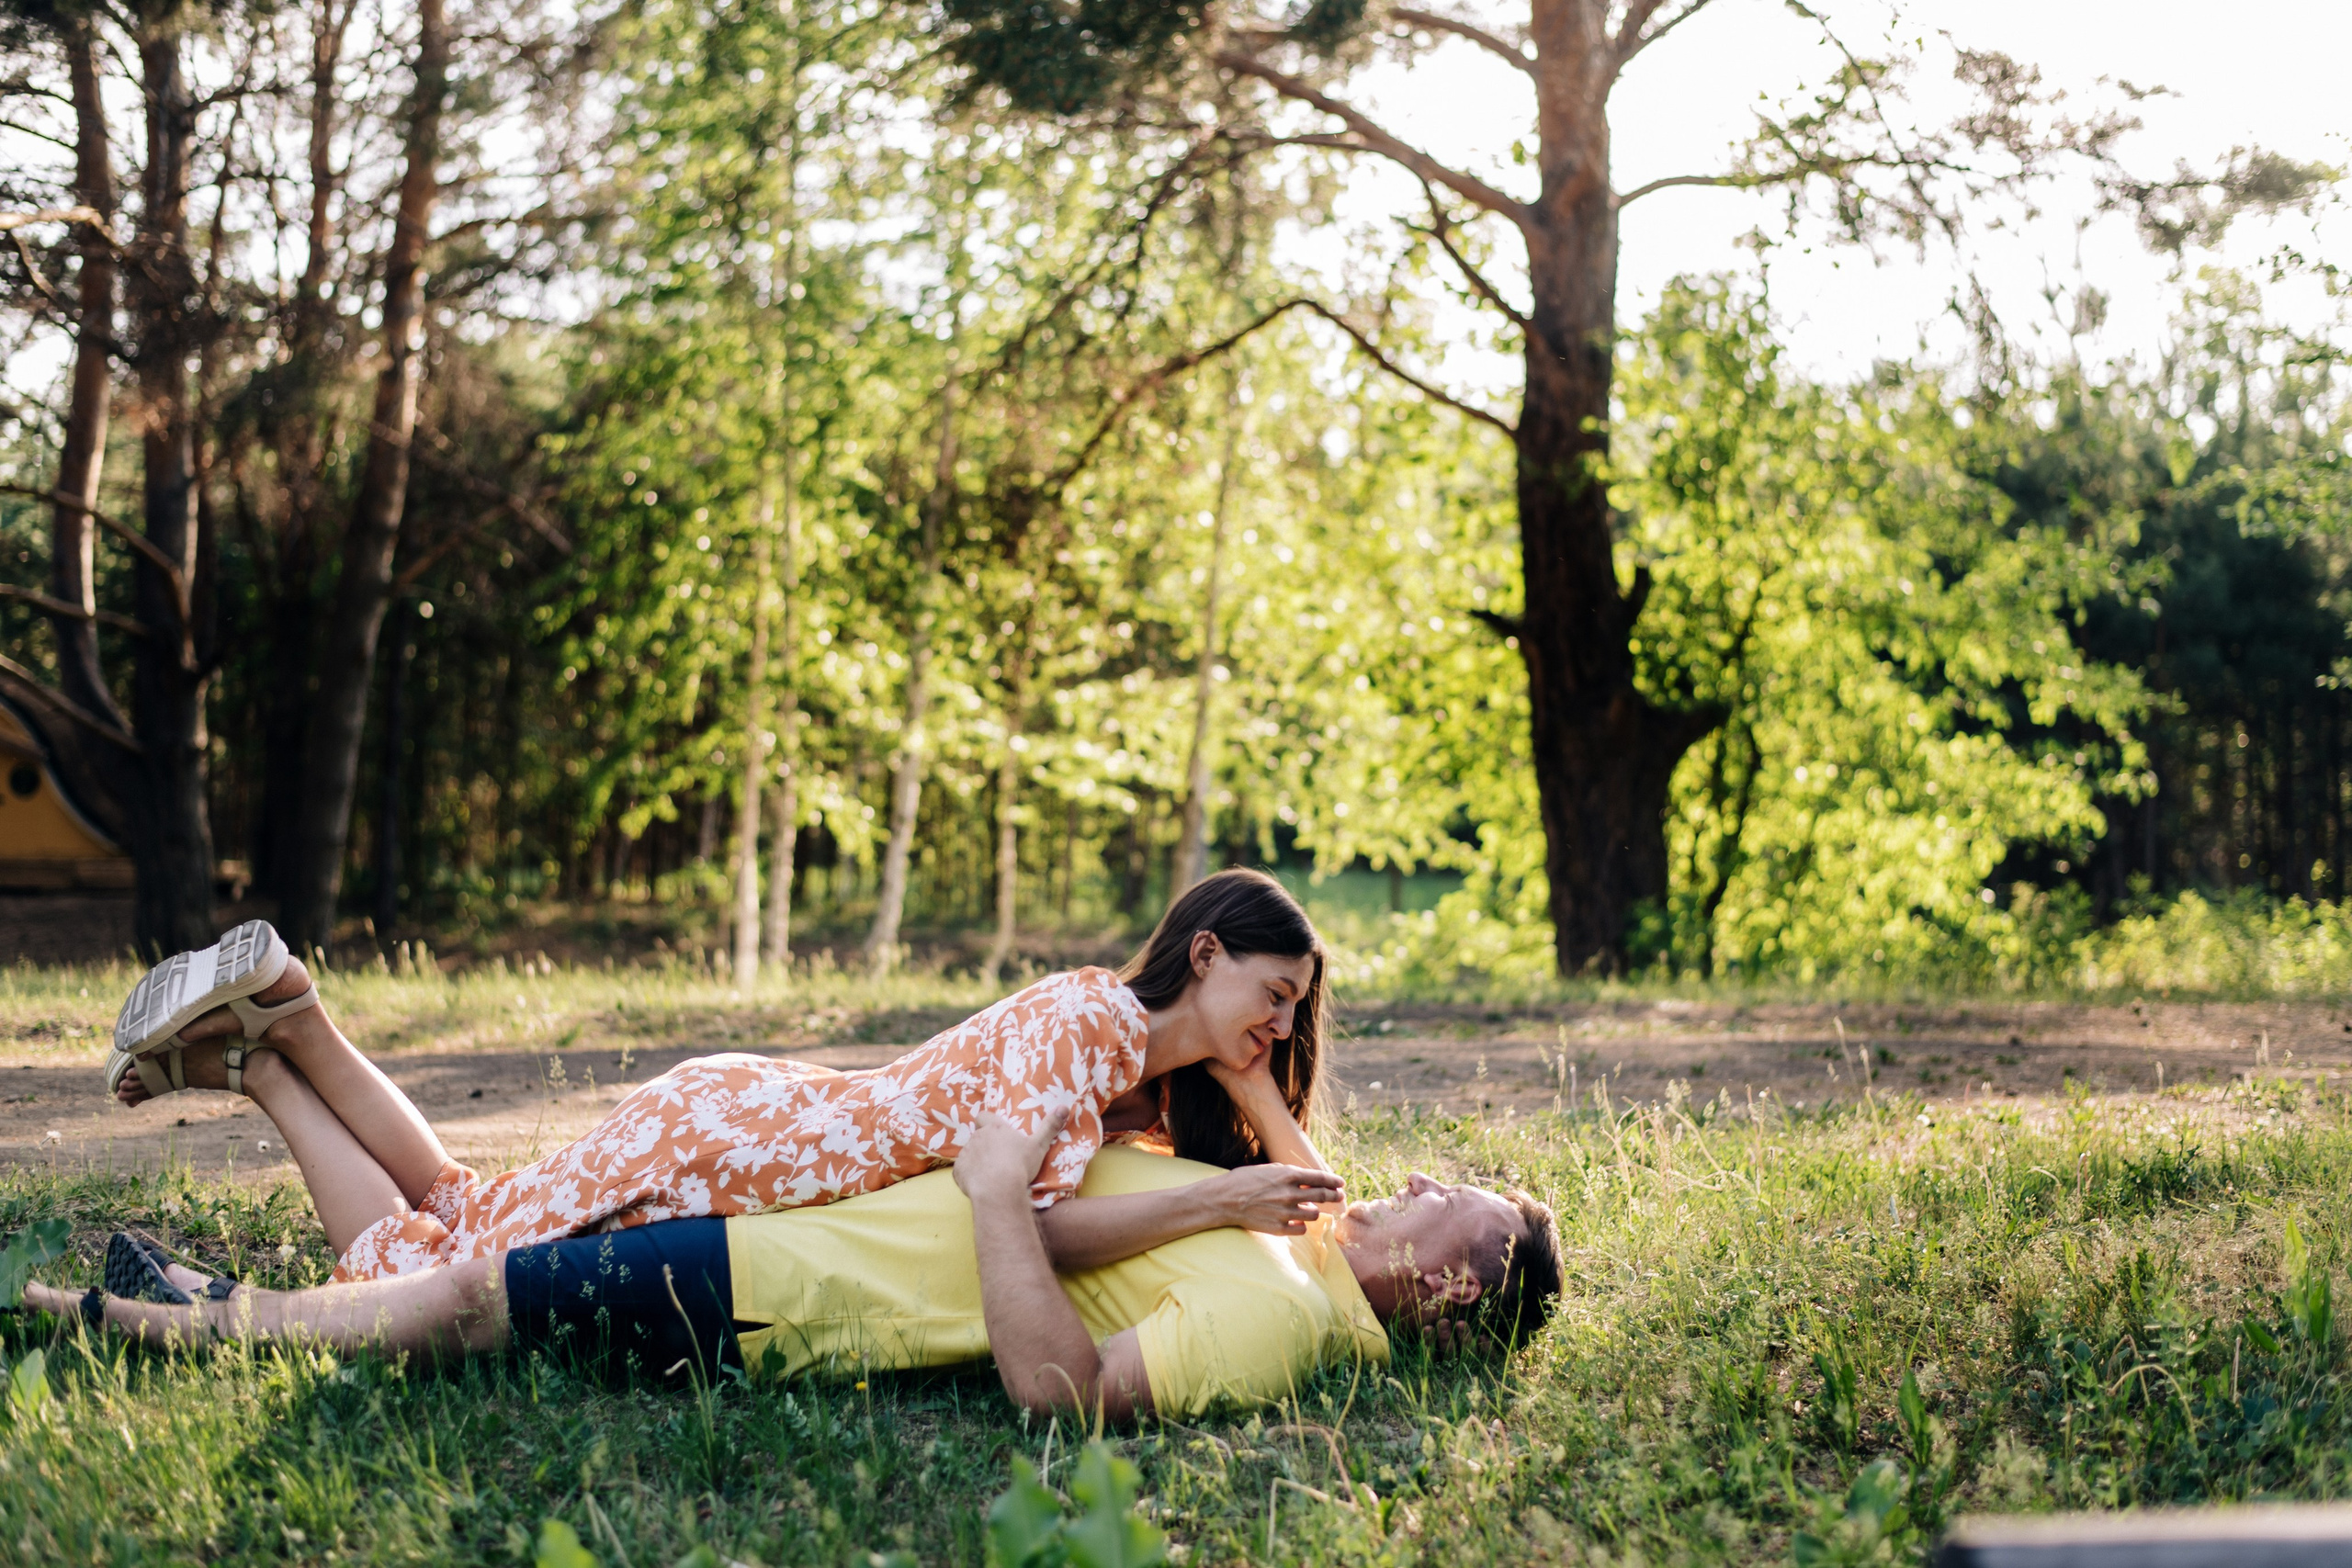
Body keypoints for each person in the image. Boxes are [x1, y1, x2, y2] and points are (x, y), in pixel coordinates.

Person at [97, 871, 1342, 1284]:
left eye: (1293, 1018)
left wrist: (1262, 1092)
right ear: (1205, 952)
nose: (1276, 1030)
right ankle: (269, 1051)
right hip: (735, 1153)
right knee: (456, 1267)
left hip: (753, 1125)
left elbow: (1319, 1213)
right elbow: (1028, 1231)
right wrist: (1247, 1120)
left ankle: (290, 1019)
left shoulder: (1127, 1064)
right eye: (1270, 998)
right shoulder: (1089, 1028)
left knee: (473, 1205)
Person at [29, 1111, 1563, 1419]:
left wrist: (980, 1197)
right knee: (466, 1240)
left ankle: (106, 1320)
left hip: (790, 1299)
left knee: (466, 1301)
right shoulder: (1284, 1225)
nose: (1426, 1179)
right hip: (790, 1224)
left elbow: (1069, 1397)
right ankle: (190, 1305)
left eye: (1459, 1207)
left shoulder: (1289, 1327)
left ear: (1452, 1292)